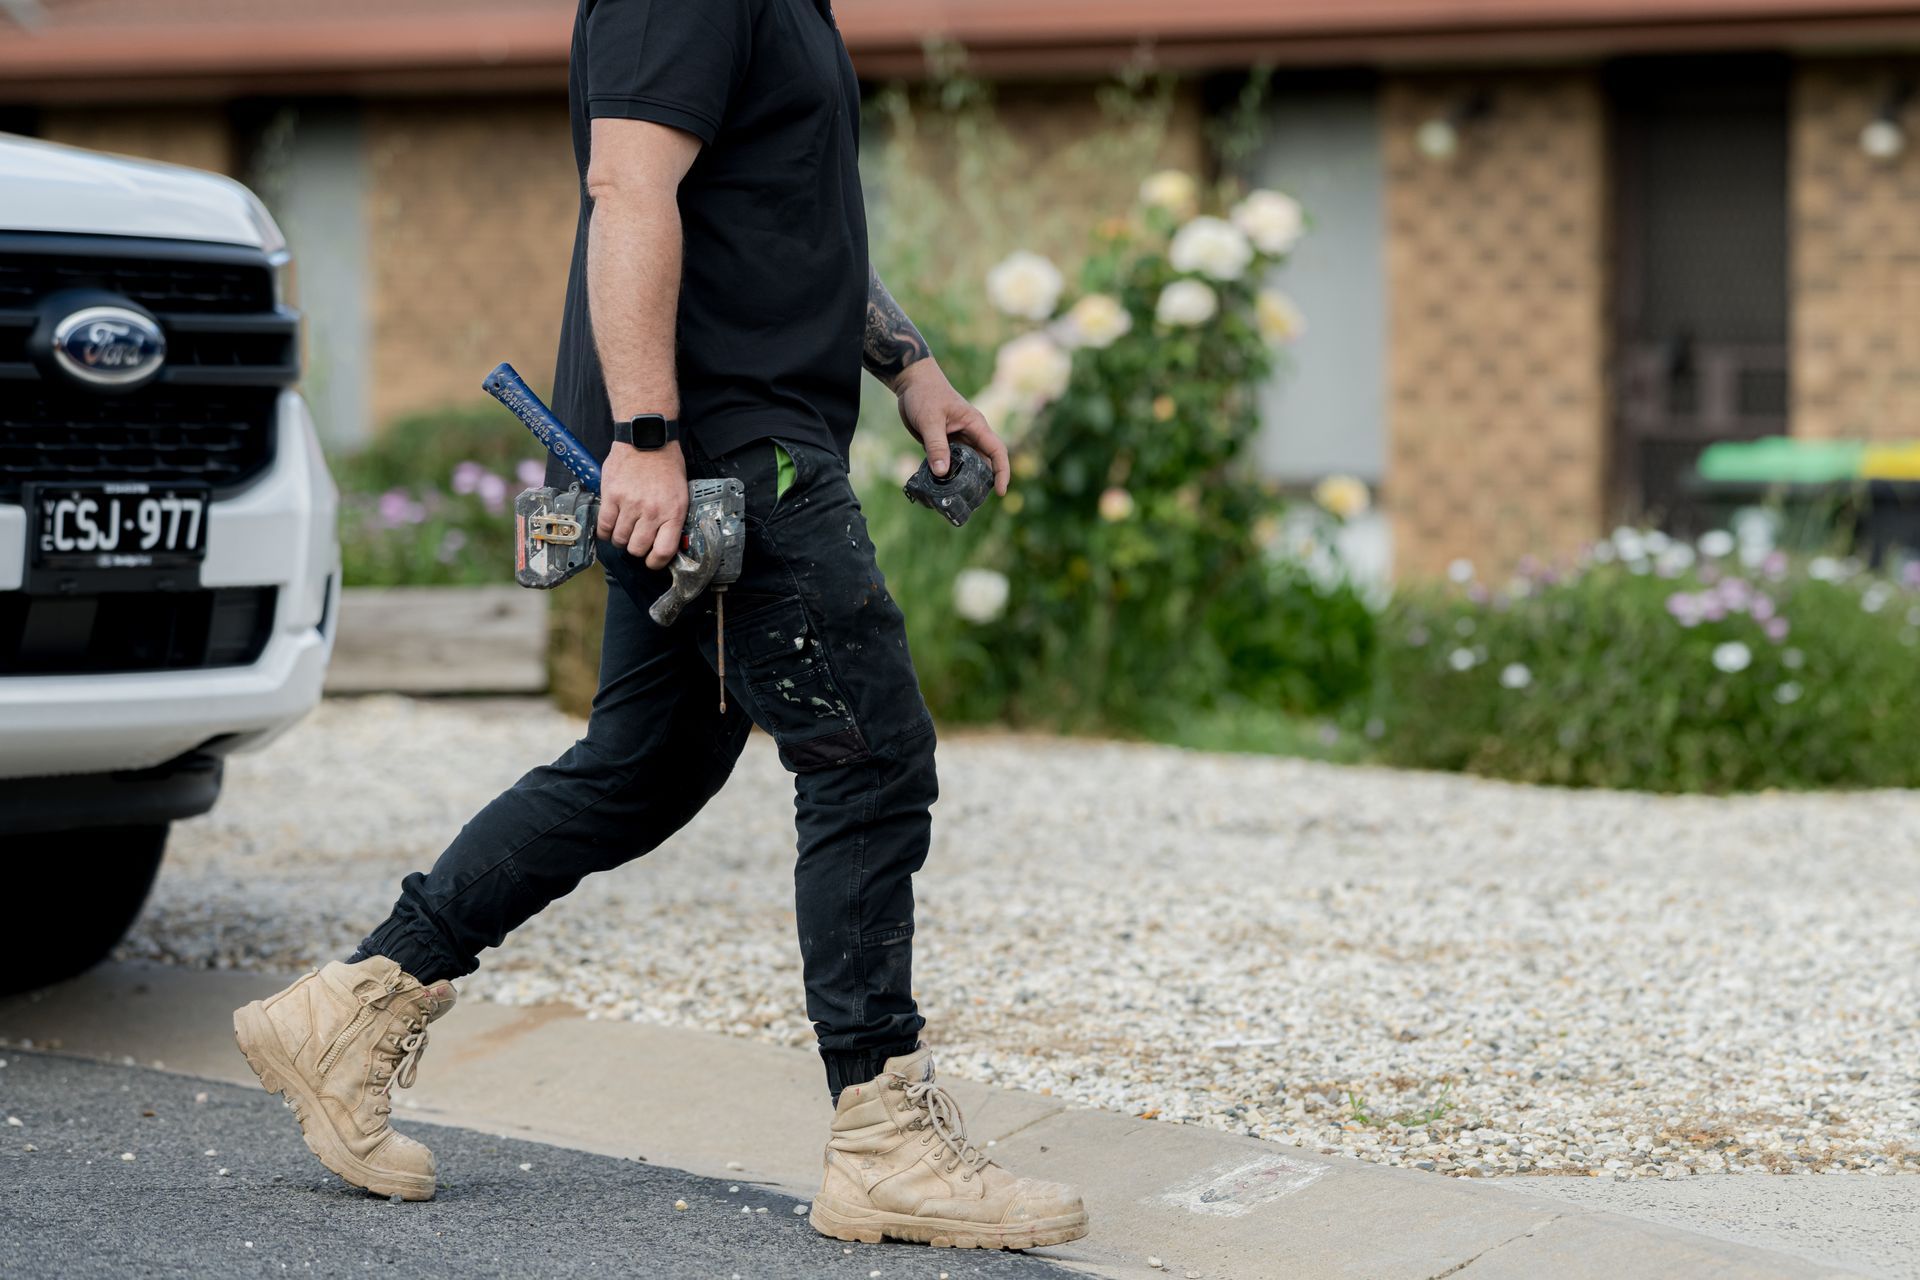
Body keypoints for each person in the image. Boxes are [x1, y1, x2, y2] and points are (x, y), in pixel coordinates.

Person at [230, 0, 1090, 1254]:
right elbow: (627, 184)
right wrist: (646, 436)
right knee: (867, 754)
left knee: (646, 762)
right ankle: (884, 1138)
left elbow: (776, 213)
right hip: (719, 451)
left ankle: (349, 1008)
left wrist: (910, 369)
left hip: (711, 448)